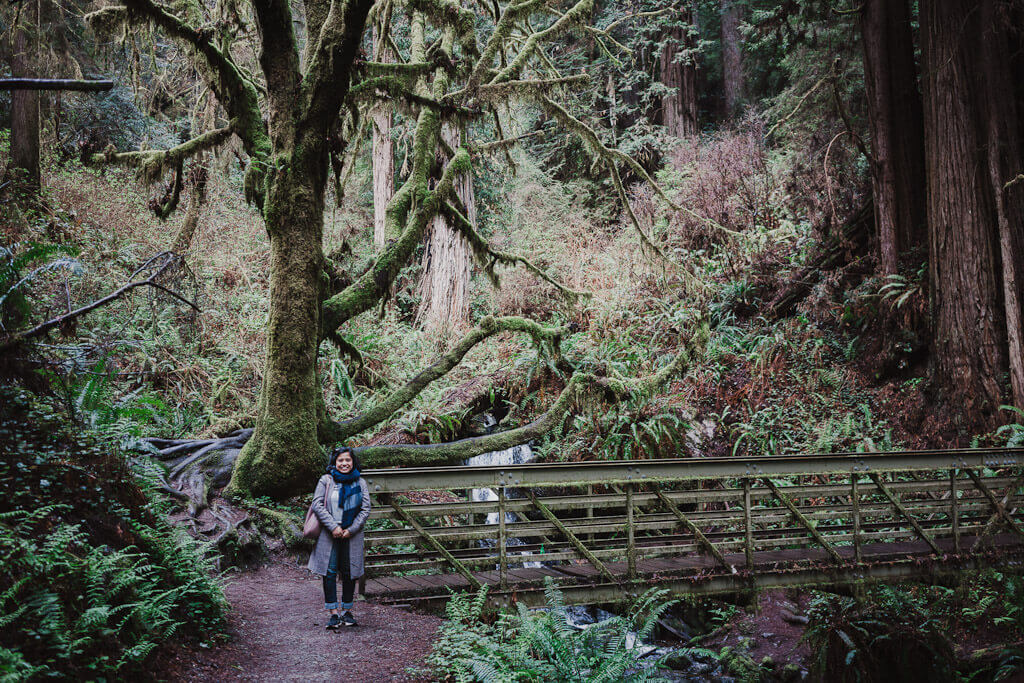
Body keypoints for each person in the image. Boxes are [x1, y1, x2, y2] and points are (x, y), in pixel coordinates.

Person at [307, 445, 371, 629]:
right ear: (335, 462)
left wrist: (351, 529)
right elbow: (317, 504)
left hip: (352, 533)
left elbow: (366, 509)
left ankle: (347, 611)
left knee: (350, 571)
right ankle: (333, 613)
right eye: (340, 460)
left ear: (353, 462)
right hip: (329, 533)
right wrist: (333, 526)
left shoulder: (360, 482)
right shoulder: (326, 480)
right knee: (329, 571)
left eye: (348, 460)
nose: (344, 463)